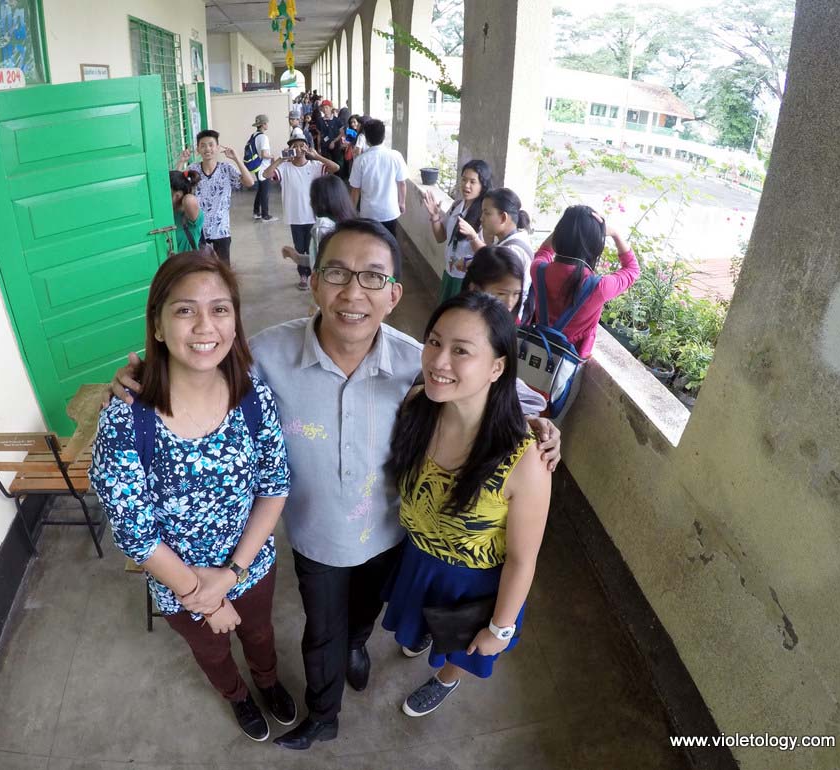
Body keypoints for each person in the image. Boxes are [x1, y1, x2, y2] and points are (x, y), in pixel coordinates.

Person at [107, 220, 562, 750]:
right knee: (321, 630)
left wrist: (543, 428)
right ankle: (324, 714)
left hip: (390, 534)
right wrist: (136, 381)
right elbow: (203, 362)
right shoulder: (266, 357)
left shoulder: (420, 363)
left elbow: (496, 393)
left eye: (372, 278)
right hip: (317, 539)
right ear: (314, 282)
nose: (353, 293)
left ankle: (358, 645)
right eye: (338, 273)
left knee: (361, 617)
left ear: (393, 295)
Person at [90, 252, 295, 742]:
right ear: (157, 325)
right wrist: (201, 598)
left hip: (250, 565)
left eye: (220, 309)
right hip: (179, 585)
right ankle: (238, 697)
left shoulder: (251, 395)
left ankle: (266, 682)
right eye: (185, 310)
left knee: (261, 635)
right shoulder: (127, 419)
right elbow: (135, 534)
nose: (206, 325)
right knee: (212, 652)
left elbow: (274, 487)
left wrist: (233, 574)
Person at [382, 291, 552, 716]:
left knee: (461, 648)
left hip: (471, 583)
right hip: (417, 559)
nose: (439, 361)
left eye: (462, 351)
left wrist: (499, 628)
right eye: (435, 342)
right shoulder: (417, 407)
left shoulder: (524, 459)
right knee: (418, 628)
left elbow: (521, 560)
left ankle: (446, 681)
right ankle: (423, 631)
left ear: (497, 367)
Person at [530, 205, 639, 358]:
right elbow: (632, 269)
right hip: (569, 364)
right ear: (595, 245)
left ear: (559, 235)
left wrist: (570, 226)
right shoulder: (599, 287)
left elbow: (544, 251)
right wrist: (615, 233)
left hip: (534, 351)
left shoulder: (538, 270)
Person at [264, 136, 340, 289]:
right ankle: (303, 275)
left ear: (307, 148)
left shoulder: (315, 165)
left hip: (313, 216)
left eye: (302, 145)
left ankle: (315, 274)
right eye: (295, 146)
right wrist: (281, 158)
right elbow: (266, 174)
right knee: (299, 248)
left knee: (314, 247)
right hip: (295, 216)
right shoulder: (285, 167)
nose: (299, 149)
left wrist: (316, 155)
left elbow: (335, 167)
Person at [178, 129, 255, 265]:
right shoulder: (193, 169)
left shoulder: (226, 168)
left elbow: (250, 182)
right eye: (203, 145)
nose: (207, 149)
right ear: (198, 149)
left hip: (221, 231)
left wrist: (237, 159)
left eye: (211, 144)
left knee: (223, 271)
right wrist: (181, 161)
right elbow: (176, 184)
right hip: (198, 231)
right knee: (202, 270)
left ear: (217, 147)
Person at [421, 159, 493, 302]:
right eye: (464, 180)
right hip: (449, 272)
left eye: (473, 182)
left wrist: (473, 236)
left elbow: (487, 255)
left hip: (467, 280)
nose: (466, 185)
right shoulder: (457, 206)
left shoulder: (485, 216)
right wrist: (435, 216)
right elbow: (441, 237)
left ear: (482, 185)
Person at [459, 188, 535, 322]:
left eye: (486, 213)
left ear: (503, 217)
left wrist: (467, 263)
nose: (481, 218)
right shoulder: (510, 240)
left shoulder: (514, 250)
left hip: (505, 317)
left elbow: (493, 270)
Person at [348, 120, 408, 237]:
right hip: (390, 211)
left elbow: (355, 190)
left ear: (366, 139)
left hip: (369, 213)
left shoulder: (360, 160)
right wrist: (402, 203)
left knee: (370, 244)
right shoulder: (396, 156)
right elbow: (402, 183)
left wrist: (352, 211)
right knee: (389, 243)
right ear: (384, 136)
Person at [462, 245, 527, 321]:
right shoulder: (460, 326)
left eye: (516, 294)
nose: (510, 304)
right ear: (475, 288)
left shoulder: (512, 323)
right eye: (501, 294)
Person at [249, 115, 276, 223]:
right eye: (266, 123)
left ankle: (256, 212)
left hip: (257, 167)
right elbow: (264, 154)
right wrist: (272, 156)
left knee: (261, 190)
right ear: (263, 124)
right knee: (265, 191)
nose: (267, 124)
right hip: (264, 167)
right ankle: (265, 215)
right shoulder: (263, 137)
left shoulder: (254, 135)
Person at [169, 169, 203, 252]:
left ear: (177, 195)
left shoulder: (190, 215)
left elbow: (189, 200)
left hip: (187, 264)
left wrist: (185, 192)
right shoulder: (167, 213)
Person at [314, 99, 344, 165]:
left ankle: (337, 175)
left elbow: (342, 133)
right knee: (325, 163)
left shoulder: (337, 120)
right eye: (323, 108)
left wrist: (334, 141)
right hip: (324, 145)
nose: (325, 110)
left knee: (336, 163)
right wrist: (318, 147)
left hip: (335, 145)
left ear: (331, 108)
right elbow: (319, 134)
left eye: (326, 107)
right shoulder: (320, 120)